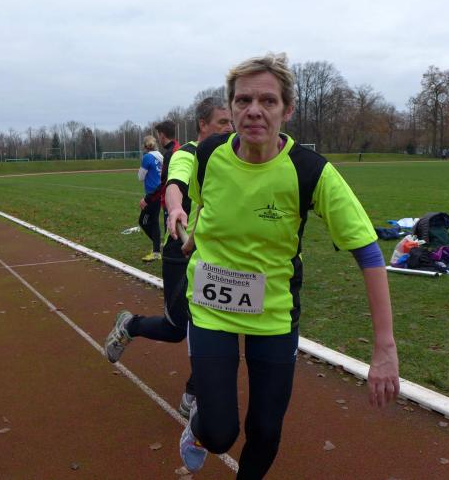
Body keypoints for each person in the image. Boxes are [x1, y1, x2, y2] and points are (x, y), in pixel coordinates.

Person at [167, 53, 400, 477]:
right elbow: (197, 187)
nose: (254, 110)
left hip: (274, 314)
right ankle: (198, 431)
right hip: (210, 309)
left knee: (265, 430)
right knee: (220, 432)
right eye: (243, 100)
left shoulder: (310, 171)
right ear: (231, 107)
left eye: (268, 101)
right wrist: (181, 208)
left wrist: (385, 347)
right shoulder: (210, 154)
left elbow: (368, 252)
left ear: (287, 110)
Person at [104, 97, 233, 418]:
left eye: (232, 122)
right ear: (203, 124)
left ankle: (193, 393)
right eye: (223, 122)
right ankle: (130, 325)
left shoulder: (234, 155)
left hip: (216, 255)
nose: (230, 128)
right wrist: (175, 207)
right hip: (181, 249)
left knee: (215, 323)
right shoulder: (186, 154)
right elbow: (175, 182)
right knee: (178, 328)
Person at [138, 136, 163, 261]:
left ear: (145, 146)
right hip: (160, 192)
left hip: (152, 194)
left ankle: (157, 248)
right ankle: (157, 248)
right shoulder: (161, 156)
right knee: (154, 221)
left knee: (143, 221)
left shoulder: (147, 157)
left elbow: (140, 177)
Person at [154, 120, 181, 232]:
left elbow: (164, 183)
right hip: (179, 200)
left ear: (162, 135)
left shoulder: (170, 153)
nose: (158, 139)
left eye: (158, 135)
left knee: (171, 234)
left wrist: (147, 199)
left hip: (170, 202)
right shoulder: (179, 148)